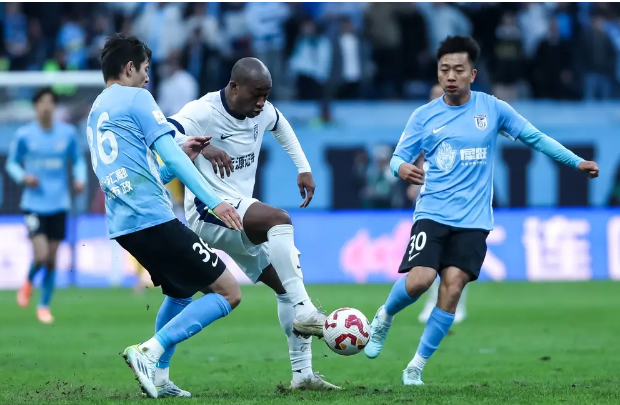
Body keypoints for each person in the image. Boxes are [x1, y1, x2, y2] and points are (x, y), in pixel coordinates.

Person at [364, 35, 599, 386]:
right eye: (444, 69)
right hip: (432, 212)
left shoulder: (492, 109)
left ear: (472, 74)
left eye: (459, 69)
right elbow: (398, 156)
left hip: (474, 220)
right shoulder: (424, 116)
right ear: (438, 73)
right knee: (420, 280)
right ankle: (384, 315)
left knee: (453, 288)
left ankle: (416, 365)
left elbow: (535, 137)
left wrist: (576, 162)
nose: (451, 76)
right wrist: (402, 168)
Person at [163, 57, 338, 390]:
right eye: (256, 95)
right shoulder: (204, 110)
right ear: (234, 87)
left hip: (237, 212)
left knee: (286, 287)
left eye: (266, 96)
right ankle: (305, 311)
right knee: (278, 219)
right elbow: (165, 132)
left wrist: (303, 168)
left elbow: (281, 125)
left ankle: (303, 375)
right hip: (208, 211)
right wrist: (203, 147)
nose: (261, 103)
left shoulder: (262, 111)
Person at [87, 34, 244, 399]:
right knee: (229, 292)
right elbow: (168, 153)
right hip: (153, 219)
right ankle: (149, 350)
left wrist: (179, 158)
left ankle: (158, 377)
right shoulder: (137, 98)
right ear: (129, 68)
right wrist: (214, 200)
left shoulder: (96, 111)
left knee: (180, 293)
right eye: (145, 69)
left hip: (125, 224)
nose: (147, 77)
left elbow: (148, 173)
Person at [7, 87, 86, 324]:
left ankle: (43, 306)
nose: (46, 106)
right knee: (41, 255)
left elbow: (78, 160)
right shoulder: (24, 135)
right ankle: (28, 281)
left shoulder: (67, 133)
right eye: (42, 102)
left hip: (59, 203)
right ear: (35, 106)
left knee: (52, 259)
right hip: (33, 203)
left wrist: (80, 178)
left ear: (55, 106)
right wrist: (23, 177)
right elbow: (12, 163)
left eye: (50, 102)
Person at [417, 82, 468, 325]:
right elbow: (422, 155)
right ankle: (432, 302)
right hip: (430, 201)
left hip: (458, 203)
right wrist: (417, 179)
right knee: (429, 259)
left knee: (456, 259)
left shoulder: (461, 126)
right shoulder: (425, 122)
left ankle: (456, 305)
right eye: (433, 96)